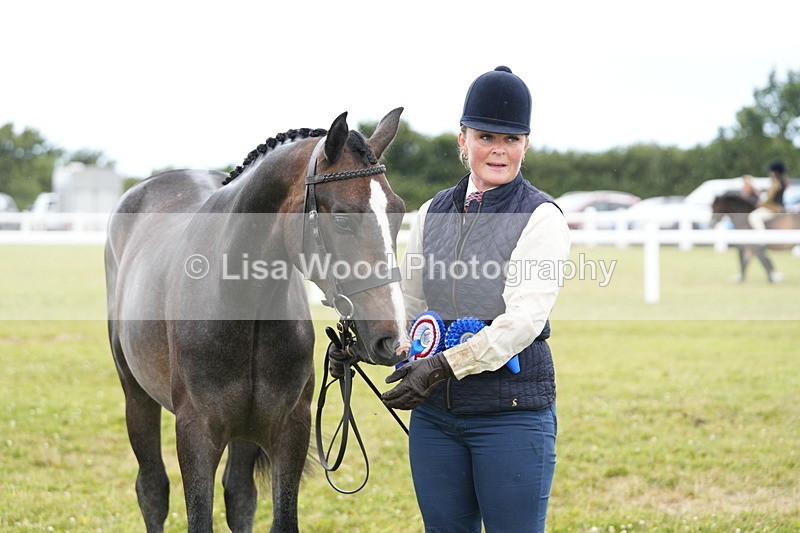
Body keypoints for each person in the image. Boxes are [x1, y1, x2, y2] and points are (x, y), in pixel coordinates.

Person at [380, 66, 571, 532]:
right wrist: (375, 340)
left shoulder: (541, 217)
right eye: (487, 136)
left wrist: (444, 366)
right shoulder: (431, 213)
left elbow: (523, 320)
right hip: (436, 418)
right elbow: (410, 301)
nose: (499, 150)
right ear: (462, 139)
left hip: (510, 416)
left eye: (512, 139)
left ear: (526, 143)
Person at [748, 161, 788, 230]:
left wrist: (759, 205)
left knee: (753, 217)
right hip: (779, 208)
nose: (769, 174)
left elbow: (769, 198)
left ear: (775, 172)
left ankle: (762, 238)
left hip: (773, 209)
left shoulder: (775, 184)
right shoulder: (781, 182)